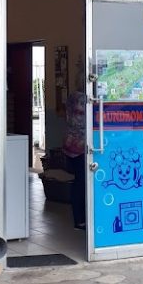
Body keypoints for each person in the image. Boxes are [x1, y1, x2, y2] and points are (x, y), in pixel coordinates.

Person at [63, 85, 87, 230]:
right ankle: (80, 219)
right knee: (81, 183)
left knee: (78, 182)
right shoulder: (82, 99)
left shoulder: (72, 97)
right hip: (80, 146)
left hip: (70, 145)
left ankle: (80, 218)